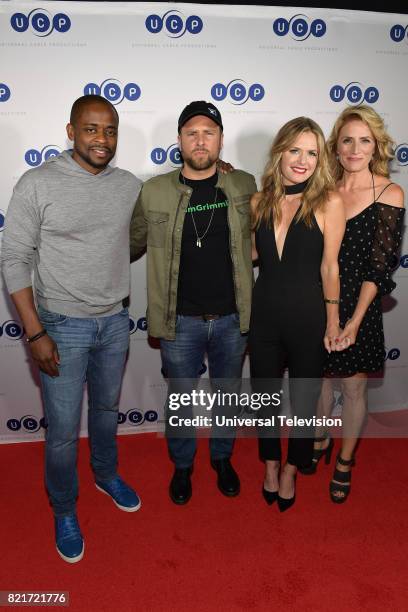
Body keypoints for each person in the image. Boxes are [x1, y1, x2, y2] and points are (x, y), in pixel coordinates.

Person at [1, 95, 142, 563]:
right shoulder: (37, 184)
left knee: (106, 409)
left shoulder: (128, 186)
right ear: (70, 130)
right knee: (62, 431)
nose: (102, 139)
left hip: (115, 321)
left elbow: (154, 220)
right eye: (92, 129)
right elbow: (14, 258)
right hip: (61, 326)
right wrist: (36, 333)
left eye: (110, 131)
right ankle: (64, 509)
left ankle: (105, 473)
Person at [130, 100, 257, 504]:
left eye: (209, 132)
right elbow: (129, 245)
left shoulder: (244, 185)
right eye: (192, 133)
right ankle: (183, 466)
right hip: (178, 320)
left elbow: (267, 238)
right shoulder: (153, 191)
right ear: (179, 140)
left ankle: (221, 458)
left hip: (232, 318)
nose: (200, 141)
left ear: (221, 140)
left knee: (228, 395)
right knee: (181, 399)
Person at [303, 105, 405, 503]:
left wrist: (355, 321)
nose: (355, 148)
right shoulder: (322, 190)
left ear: (375, 145)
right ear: (336, 146)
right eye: (347, 140)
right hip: (318, 301)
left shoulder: (389, 192)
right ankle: (321, 432)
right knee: (321, 380)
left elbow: (380, 268)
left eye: (364, 140)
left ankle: (345, 460)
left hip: (360, 306)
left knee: (354, 385)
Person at [249, 117, 345, 511]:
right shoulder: (260, 200)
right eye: (295, 150)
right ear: (280, 151)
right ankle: (271, 464)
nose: (302, 160)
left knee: (304, 401)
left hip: (309, 317)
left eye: (312, 152)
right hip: (264, 314)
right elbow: (254, 256)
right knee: (265, 398)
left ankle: (292, 468)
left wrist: (334, 320)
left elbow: (330, 267)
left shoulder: (328, 201)